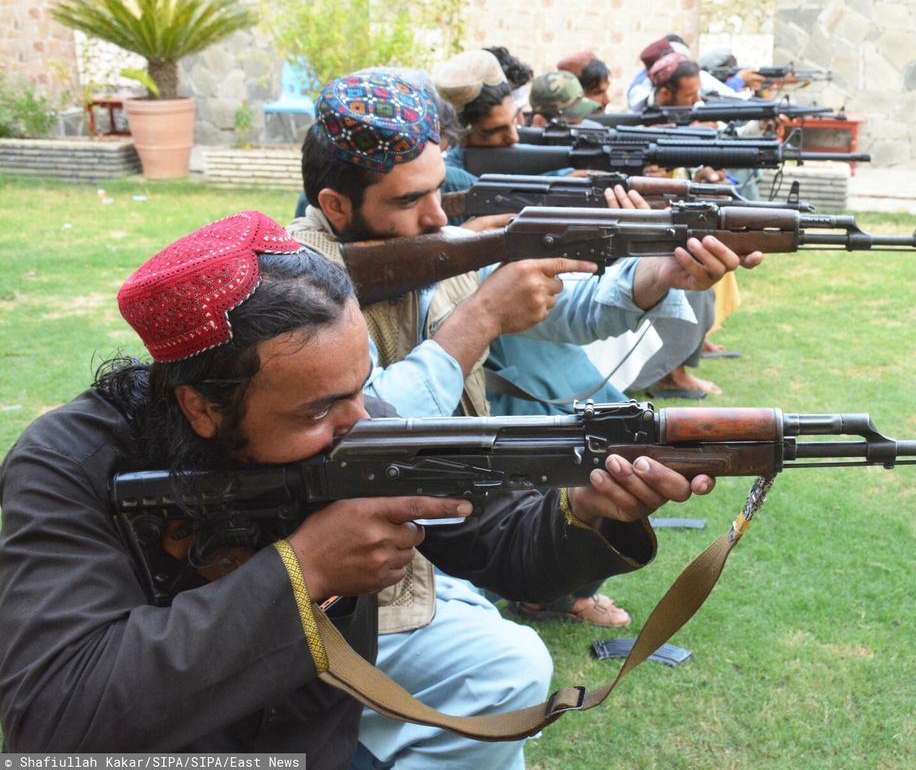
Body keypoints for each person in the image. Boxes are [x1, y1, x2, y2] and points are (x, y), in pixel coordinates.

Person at [0, 209, 717, 766]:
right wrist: (304, 569)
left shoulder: (354, 418)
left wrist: (586, 515)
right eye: (317, 410)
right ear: (202, 407)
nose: (362, 421)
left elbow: (502, 544)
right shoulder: (66, 465)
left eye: (360, 387)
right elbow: (56, 714)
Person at [290, 74, 757, 646]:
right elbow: (360, 426)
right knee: (511, 668)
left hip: (444, 528)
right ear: (336, 207)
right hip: (346, 572)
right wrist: (481, 318)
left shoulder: (439, 249)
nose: (439, 218)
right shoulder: (297, 289)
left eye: (438, 190)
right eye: (410, 200)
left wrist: (660, 274)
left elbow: (574, 310)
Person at [526, 70, 604, 126]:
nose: (580, 127)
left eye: (581, 117)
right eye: (571, 124)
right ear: (539, 122)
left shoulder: (592, 128)